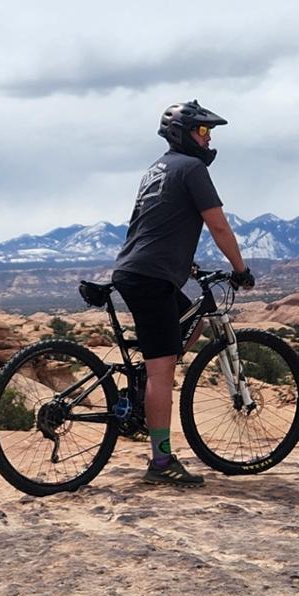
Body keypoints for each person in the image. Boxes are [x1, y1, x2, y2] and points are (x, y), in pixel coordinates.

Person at [111, 100, 255, 486]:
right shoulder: (191, 169)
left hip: (138, 270)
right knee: (163, 370)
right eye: (203, 131)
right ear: (184, 134)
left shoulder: (156, 169)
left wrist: (186, 266)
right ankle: (160, 463)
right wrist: (241, 270)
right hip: (151, 278)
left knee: (189, 324)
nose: (208, 140)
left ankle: (144, 391)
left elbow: (155, 224)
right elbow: (219, 228)